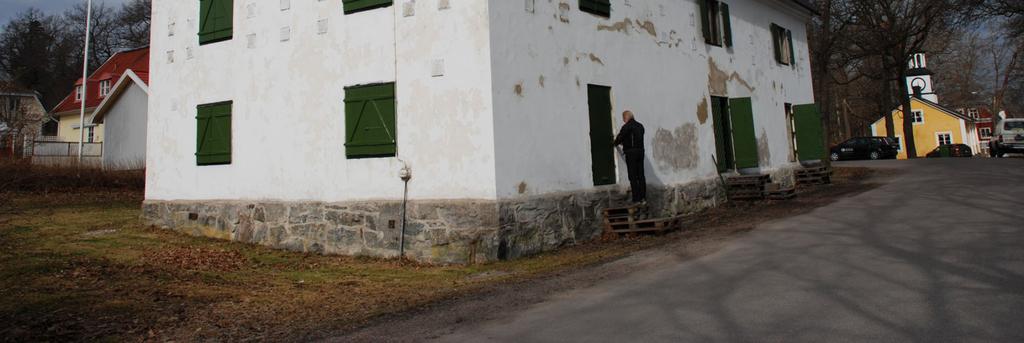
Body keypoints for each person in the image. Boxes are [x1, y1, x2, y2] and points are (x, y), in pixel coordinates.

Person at [613, 110, 646, 204]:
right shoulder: (640, 126)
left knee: (632, 176)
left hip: (631, 153)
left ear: (626, 117)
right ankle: (643, 198)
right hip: (640, 152)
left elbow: (620, 137)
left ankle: (636, 199)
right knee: (641, 175)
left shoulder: (626, 127)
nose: (623, 121)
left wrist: (615, 143)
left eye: (623, 119)